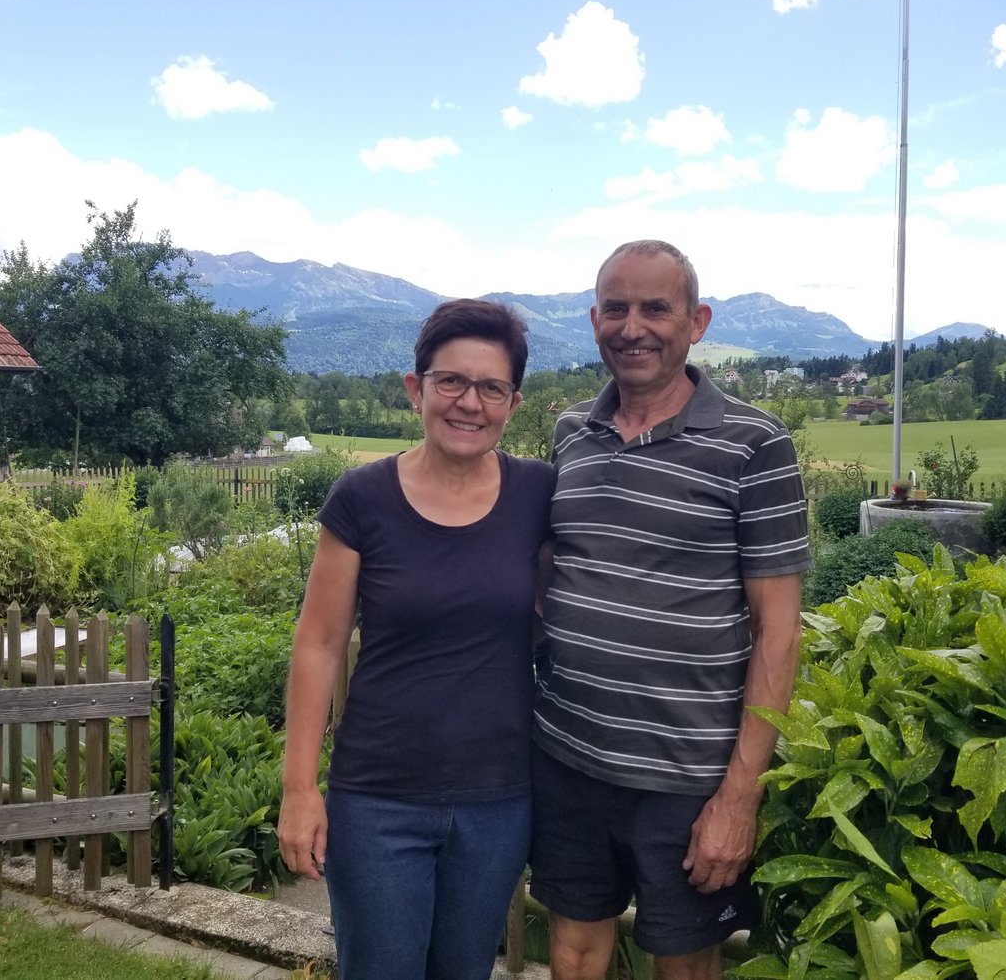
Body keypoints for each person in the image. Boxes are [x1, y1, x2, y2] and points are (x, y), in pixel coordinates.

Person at [531, 240, 811, 980]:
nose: (634, 327)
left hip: (688, 779)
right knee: (573, 953)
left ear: (698, 321)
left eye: (656, 307)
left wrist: (739, 796)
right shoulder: (572, 434)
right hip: (569, 758)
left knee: (684, 967)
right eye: (616, 308)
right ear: (594, 320)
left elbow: (779, 630)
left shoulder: (755, 443)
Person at [278, 298, 555, 980]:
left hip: (498, 799)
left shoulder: (539, 497)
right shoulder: (362, 499)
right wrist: (299, 788)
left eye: (491, 387)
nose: (470, 402)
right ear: (416, 388)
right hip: (378, 799)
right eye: (451, 381)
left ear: (513, 403)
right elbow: (317, 645)